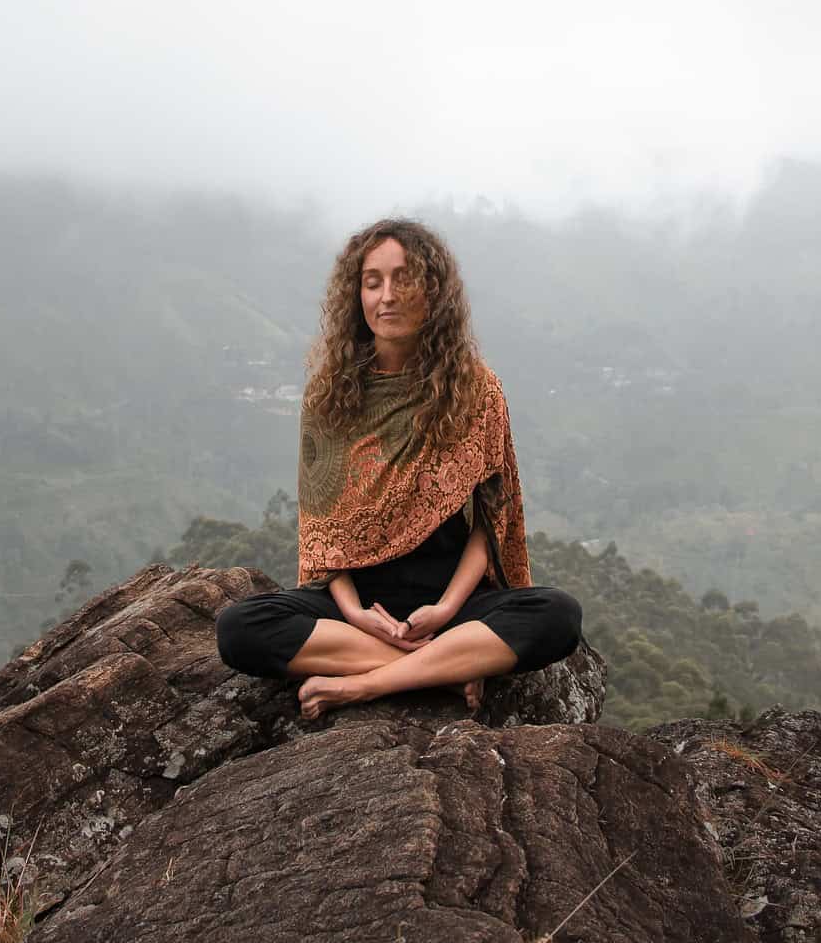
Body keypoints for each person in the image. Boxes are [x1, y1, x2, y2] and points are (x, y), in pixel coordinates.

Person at [216, 218, 583, 720]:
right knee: (239, 629)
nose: (387, 296)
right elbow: (323, 536)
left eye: (403, 279)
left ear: (433, 292)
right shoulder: (330, 398)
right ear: (357, 296)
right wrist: (354, 613)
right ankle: (445, 672)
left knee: (558, 616)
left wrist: (449, 609)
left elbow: (491, 521)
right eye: (372, 282)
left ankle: (366, 684)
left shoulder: (477, 391)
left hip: (449, 602)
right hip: (360, 607)